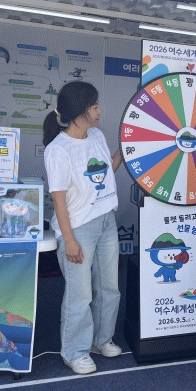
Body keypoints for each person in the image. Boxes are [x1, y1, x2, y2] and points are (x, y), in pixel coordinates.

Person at [43, 81, 124, 375]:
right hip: (78, 228)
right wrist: (70, 240)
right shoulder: (58, 149)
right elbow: (59, 201)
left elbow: (105, 172)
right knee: (80, 294)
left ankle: (101, 340)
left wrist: (125, 150)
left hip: (106, 221)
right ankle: (74, 351)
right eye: (95, 106)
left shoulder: (97, 136)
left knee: (109, 288)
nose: (100, 111)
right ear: (80, 111)